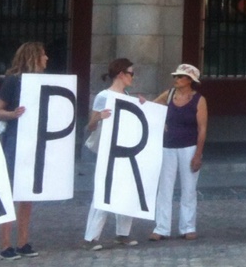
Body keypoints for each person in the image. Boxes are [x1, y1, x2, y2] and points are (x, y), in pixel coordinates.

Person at [0, 41, 48, 259]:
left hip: (34, 139)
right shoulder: (13, 80)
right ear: (34, 57)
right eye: (43, 55)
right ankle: (6, 244)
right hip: (15, 140)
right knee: (10, 191)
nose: (47, 59)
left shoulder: (42, 81)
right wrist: (14, 113)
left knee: (27, 192)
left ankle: (23, 242)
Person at [83, 57, 145, 251]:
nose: (133, 77)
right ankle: (90, 237)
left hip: (124, 150)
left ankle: (123, 234)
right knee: (104, 190)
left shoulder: (127, 95)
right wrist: (99, 117)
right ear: (121, 74)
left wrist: (142, 105)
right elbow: (90, 126)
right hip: (108, 151)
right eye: (131, 73)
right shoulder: (104, 96)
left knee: (127, 188)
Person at [149, 64, 207, 242]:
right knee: (164, 189)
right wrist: (160, 123)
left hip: (189, 147)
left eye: (181, 77)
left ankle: (188, 227)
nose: (176, 79)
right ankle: (161, 227)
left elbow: (202, 128)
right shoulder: (168, 95)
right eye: (176, 76)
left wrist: (198, 154)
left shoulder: (199, 100)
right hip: (167, 147)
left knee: (189, 189)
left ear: (190, 81)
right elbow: (151, 109)